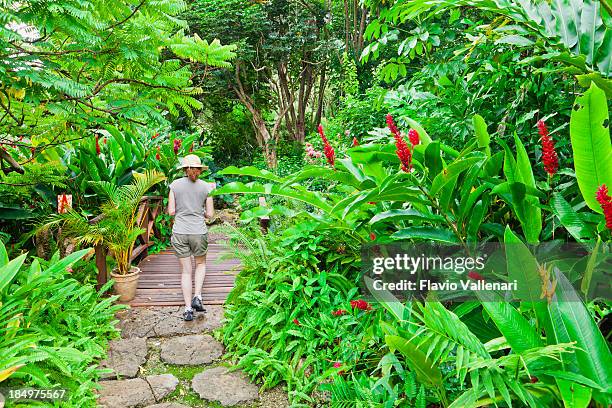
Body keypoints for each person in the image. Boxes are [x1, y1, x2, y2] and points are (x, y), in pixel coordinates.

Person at [167, 154, 215, 321]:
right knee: (200, 264)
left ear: (185, 169)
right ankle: (198, 297)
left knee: (186, 271)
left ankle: (188, 309)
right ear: (200, 169)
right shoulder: (206, 187)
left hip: (180, 231)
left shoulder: (174, 185)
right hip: (198, 232)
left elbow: (171, 211)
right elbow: (210, 215)